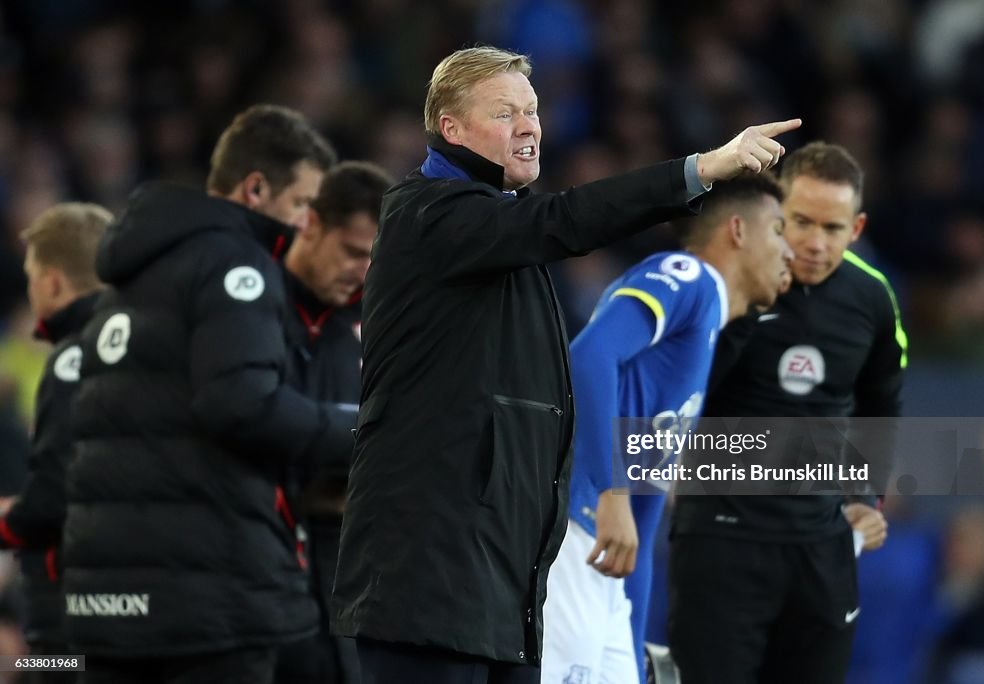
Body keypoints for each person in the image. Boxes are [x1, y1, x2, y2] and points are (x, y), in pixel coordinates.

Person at [331, 44, 801, 684]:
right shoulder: (427, 214)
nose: (528, 126)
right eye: (505, 114)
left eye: (532, 110)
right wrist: (701, 169)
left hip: (503, 580)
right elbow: (563, 222)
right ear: (451, 128)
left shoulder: (494, 238)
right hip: (429, 578)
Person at [63, 104, 351, 684]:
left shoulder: (130, 276)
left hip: (105, 597)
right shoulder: (233, 261)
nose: (301, 224)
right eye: (299, 204)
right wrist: (360, 429)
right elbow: (239, 402)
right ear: (255, 188)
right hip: (203, 602)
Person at [541, 174, 794, 684]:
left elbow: (647, 509)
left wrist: (630, 635)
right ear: (738, 231)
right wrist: (612, 493)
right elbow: (588, 356)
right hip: (577, 529)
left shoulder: (704, 333)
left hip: (608, 565)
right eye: (780, 230)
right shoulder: (688, 278)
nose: (791, 250)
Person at [669, 142, 906, 683]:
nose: (816, 244)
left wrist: (864, 498)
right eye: (801, 222)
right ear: (776, 209)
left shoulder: (874, 299)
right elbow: (683, 387)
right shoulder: (721, 280)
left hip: (820, 546)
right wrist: (753, 306)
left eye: (833, 228)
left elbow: (882, 405)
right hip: (723, 537)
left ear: (858, 229)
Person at [274, 160, 394, 684]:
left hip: (357, 556)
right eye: (351, 252)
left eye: (373, 258)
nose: (361, 271)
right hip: (274, 554)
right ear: (311, 224)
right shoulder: (255, 307)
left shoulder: (378, 316)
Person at [0, 203, 111, 683]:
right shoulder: (135, 346)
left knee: (40, 668)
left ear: (51, 281)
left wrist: (6, 522)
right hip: (129, 605)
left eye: (29, 275)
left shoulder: (70, 360)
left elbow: (52, 497)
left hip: (73, 605)